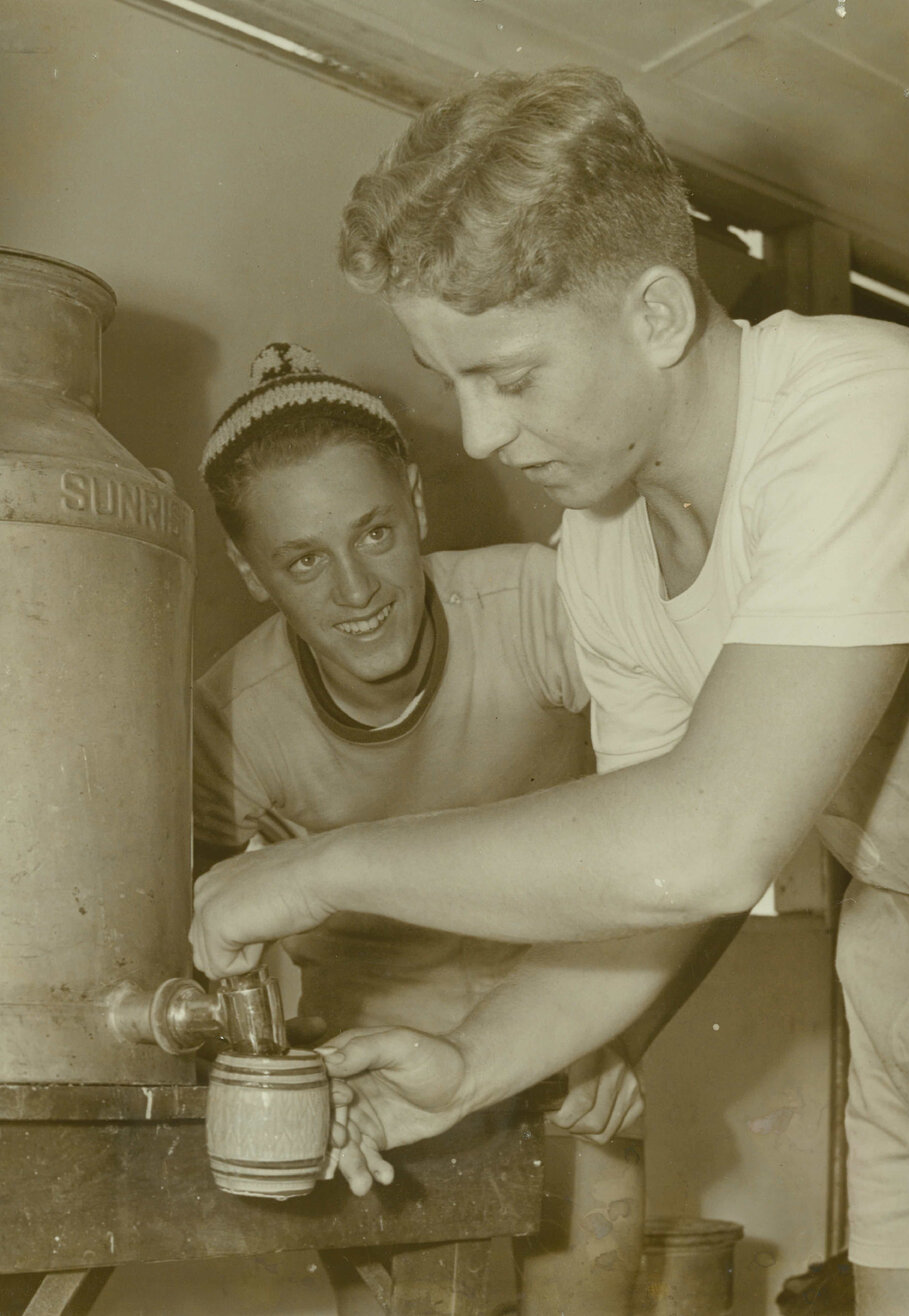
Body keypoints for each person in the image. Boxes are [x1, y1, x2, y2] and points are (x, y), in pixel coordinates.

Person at [190, 69, 909, 1316]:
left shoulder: (863, 406)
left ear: (660, 313)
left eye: (508, 376)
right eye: (446, 377)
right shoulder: (607, 547)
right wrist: (466, 1063)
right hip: (903, 945)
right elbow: (648, 893)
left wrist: (318, 866)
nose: (472, 436)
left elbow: (708, 841)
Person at [194, 343, 729, 1313]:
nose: (356, 590)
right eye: (303, 560)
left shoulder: (540, 604)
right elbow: (205, 960)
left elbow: (711, 827)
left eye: (375, 533)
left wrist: (623, 1029)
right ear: (248, 568)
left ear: (415, 502)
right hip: (371, 1074)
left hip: (565, 1022)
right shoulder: (230, 716)